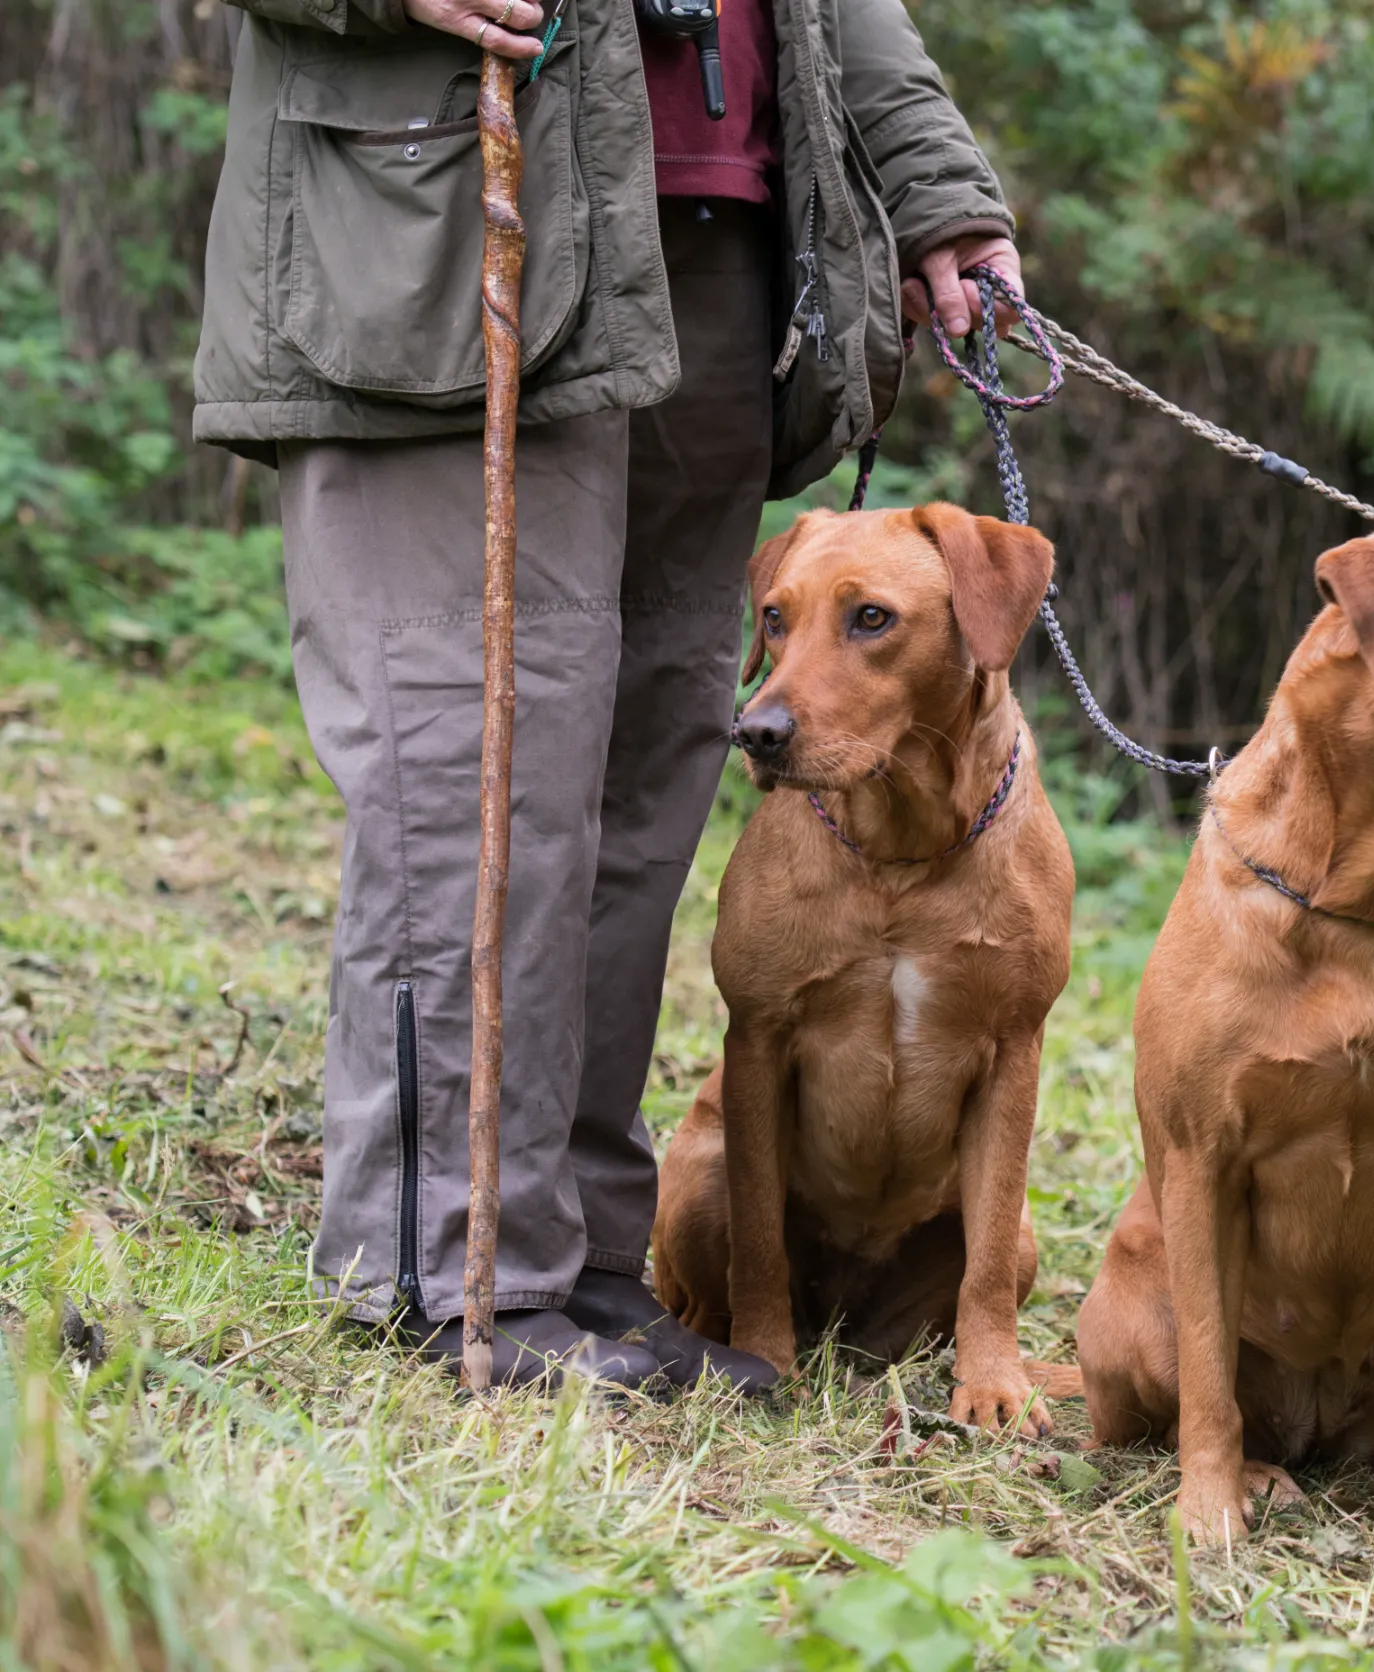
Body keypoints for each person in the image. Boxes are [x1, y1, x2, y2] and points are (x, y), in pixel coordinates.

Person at [193, 0, 1022, 1390]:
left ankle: (574, 1257)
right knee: (476, 772)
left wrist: (933, 188)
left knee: (642, 789)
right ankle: (451, 1267)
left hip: (717, 249)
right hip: (449, 216)